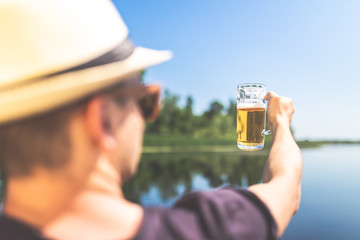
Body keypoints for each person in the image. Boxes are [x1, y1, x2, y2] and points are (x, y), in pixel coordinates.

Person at [0, 0, 302, 239]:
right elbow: (286, 186)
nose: (147, 119)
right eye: (145, 100)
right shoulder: (213, 229)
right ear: (103, 120)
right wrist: (280, 123)